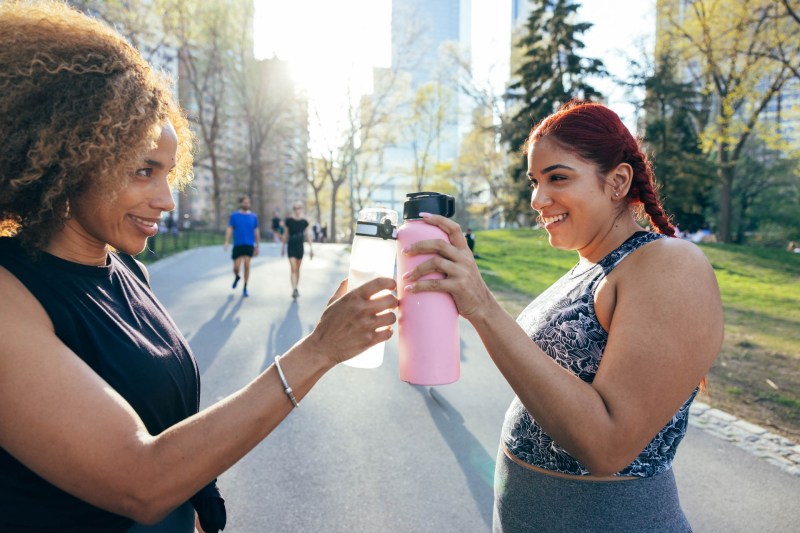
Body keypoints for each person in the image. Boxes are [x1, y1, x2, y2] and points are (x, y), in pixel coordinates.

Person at [0, 3, 398, 532]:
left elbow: (172, 429)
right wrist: (319, 351)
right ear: (72, 158)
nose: (167, 198)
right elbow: (140, 481)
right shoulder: (9, 294)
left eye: (168, 171)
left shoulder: (123, 268)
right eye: (144, 171)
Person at [401, 101, 724, 531]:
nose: (538, 198)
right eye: (534, 181)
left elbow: (607, 447)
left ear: (618, 181)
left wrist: (481, 305)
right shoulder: (590, 265)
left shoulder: (670, 264)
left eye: (558, 177)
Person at [224, 195, 259, 297]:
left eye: (248, 202)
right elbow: (230, 229)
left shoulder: (254, 217)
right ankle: (237, 276)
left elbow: (256, 231)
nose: (247, 204)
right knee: (236, 267)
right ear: (241, 203)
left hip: (249, 244)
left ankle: (245, 287)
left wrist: (257, 245)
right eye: (245, 202)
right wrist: (226, 241)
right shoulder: (234, 216)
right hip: (238, 244)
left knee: (247, 266)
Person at [282, 202, 314, 299]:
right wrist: (283, 247)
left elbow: (307, 235)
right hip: (291, 246)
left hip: (300, 246)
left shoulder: (304, 222)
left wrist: (311, 249)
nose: (297, 210)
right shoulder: (289, 221)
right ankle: (294, 289)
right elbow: (285, 234)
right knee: (293, 268)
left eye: (299, 208)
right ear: (293, 209)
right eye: (295, 208)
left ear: (301, 209)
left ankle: (296, 288)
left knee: (298, 269)